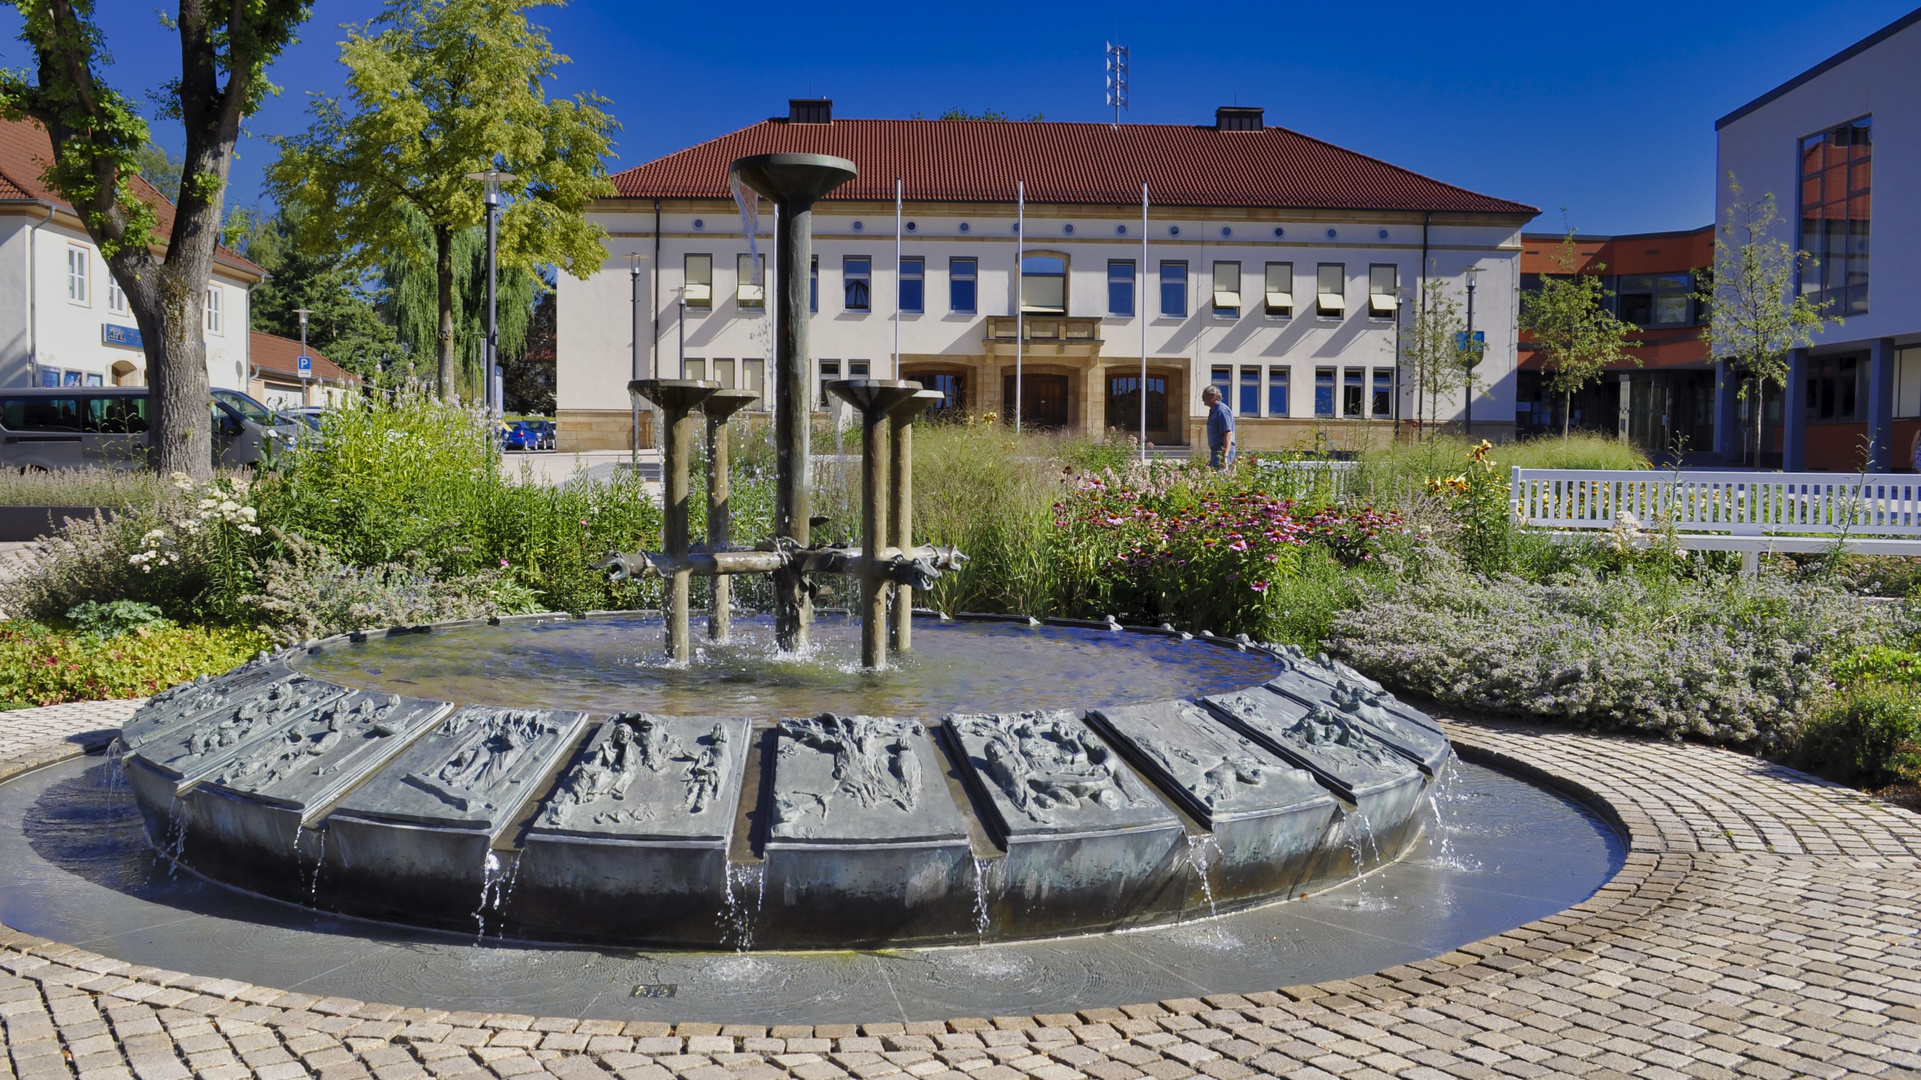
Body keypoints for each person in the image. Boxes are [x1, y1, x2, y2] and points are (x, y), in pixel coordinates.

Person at [1202, 384, 1235, 469]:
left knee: (1222, 479)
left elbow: (1228, 434)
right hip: (1216, 451)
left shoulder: (1221, 410)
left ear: (1213, 396)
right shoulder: (1214, 411)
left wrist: (1224, 457)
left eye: (1204, 396)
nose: (1202, 399)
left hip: (1222, 451)